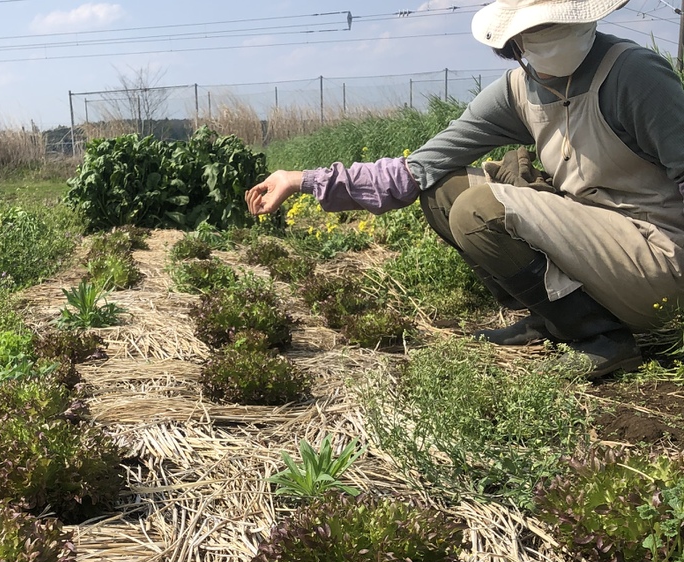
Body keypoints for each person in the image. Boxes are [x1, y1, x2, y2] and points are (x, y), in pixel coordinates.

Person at [245, 0, 684, 379]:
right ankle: (554, 318)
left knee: (479, 208)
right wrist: (301, 180)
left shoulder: (632, 73)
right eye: (537, 25)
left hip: (657, 259)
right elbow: (416, 169)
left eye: (560, 18)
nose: (552, 32)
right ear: (514, 39)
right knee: (442, 189)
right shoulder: (518, 91)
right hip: (596, 242)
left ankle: (602, 338)